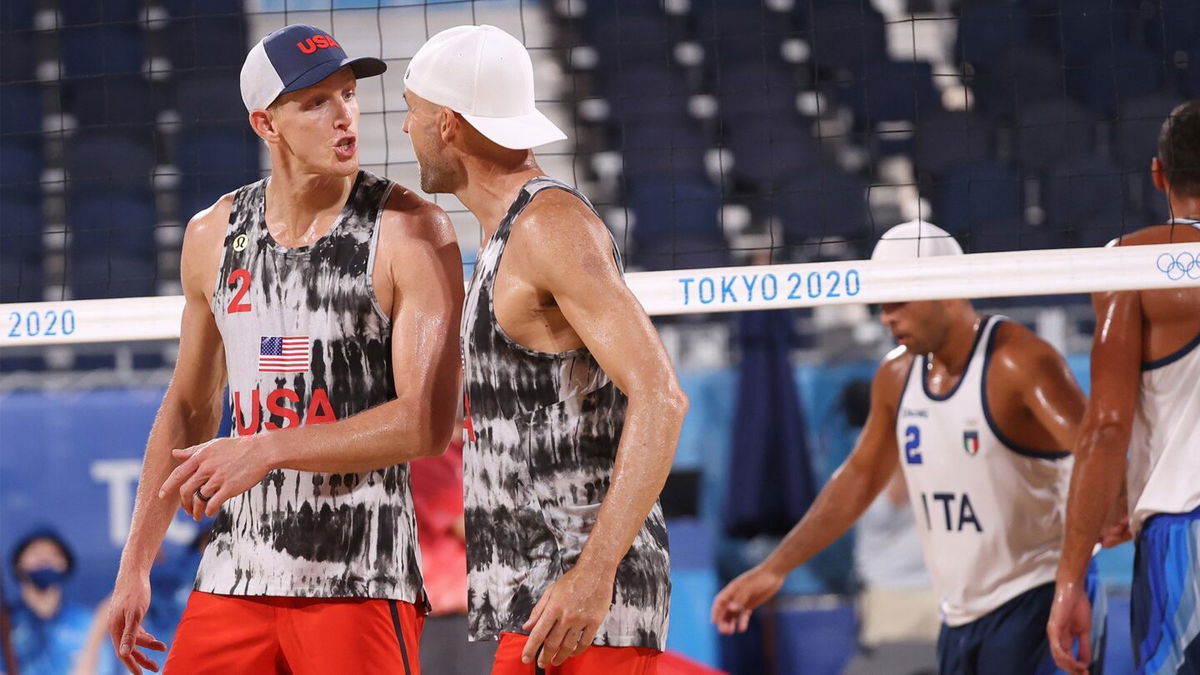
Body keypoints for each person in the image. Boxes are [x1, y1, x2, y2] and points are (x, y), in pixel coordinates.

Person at [105, 24, 463, 675]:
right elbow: (188, 405)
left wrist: (265, 446)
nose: (345, 115)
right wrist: (135, 565)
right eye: (316, 102)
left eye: (349, 93)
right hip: (237, 571)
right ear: (266, 125)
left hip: (356, 573)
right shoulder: (213, 233)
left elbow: (426, 424)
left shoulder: (410, 229)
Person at [402, 24, 687, 674]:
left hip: (579, 605)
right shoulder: (504, 236)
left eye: (412, 114)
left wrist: (594, 573)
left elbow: (662, 395)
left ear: (447, 124)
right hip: (537, 602)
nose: (405, 130)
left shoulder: (549, 227)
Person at [711, 221, 1106, 674]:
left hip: (1038, 594)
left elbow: (1099, 452)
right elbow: (858, 478)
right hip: (957, 615)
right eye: (882, 302)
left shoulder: (1019, 360)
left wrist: (1078, 571)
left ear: (947, 289)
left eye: (900, 300)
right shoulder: (896, 376)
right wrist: (775, 568)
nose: (886, 315)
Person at [1048, 101, 1200, 675]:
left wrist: (1070, 579)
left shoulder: (1136, 260)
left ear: (1158, 173)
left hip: (1188, 530)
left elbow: (1107, 427)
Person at [410, 434, 498, 673]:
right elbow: (468, 529)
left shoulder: (475, 452)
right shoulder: (429, 457)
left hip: (479, 612)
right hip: (441, 616)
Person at [8, 528, 112, 675]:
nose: (45, 560)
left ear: (66, 565)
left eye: (53, 554)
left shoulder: (87, 624)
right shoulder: (5, 623)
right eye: (36, 554)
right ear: (18, 565)